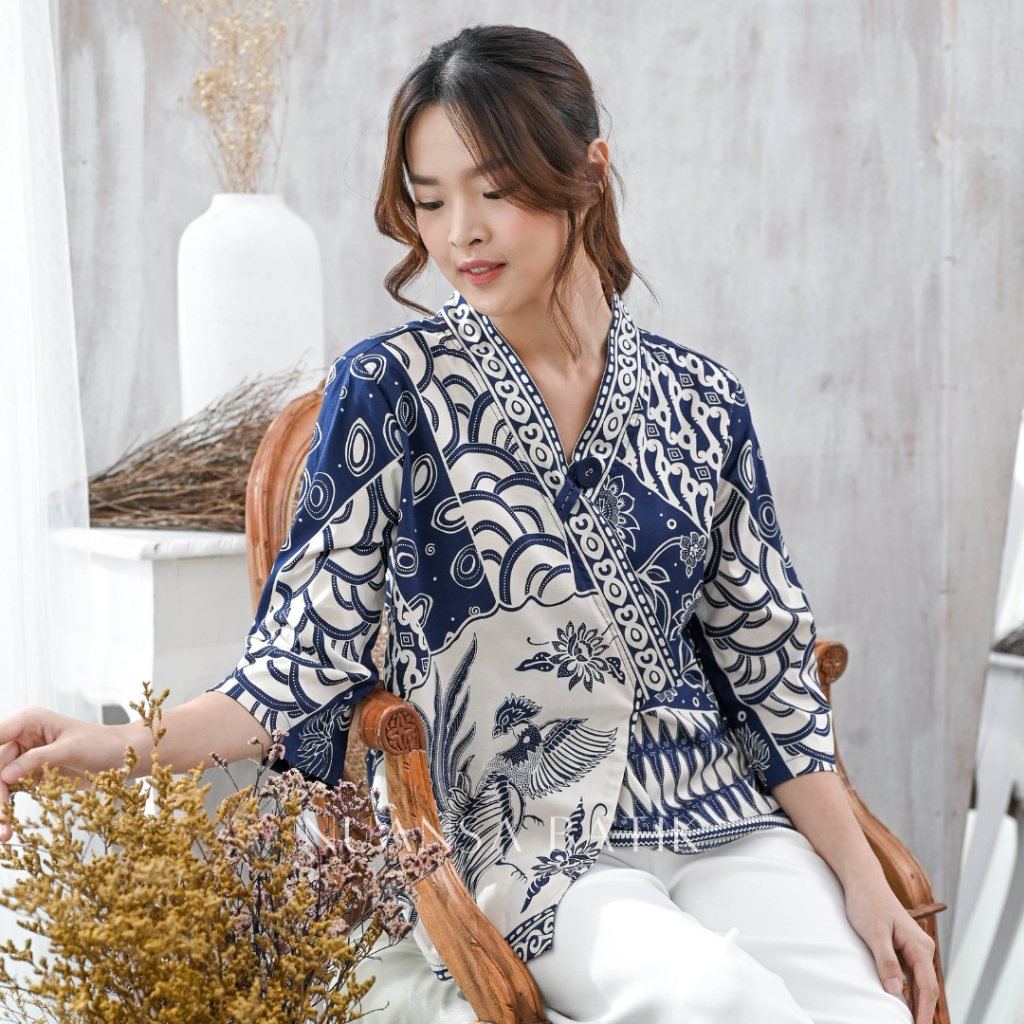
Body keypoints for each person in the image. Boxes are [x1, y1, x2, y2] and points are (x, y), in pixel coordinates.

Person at [0, 24, 938, 1024]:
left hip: (718, 813)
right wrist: (113, 743)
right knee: (711, 997)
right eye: (431, 199)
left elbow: (772, 676)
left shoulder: (703, 401)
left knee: (870, 1010)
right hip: (526, 844)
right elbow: (294, 667)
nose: (461, 235)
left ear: (589, 172)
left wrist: (865, 880)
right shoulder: (389, 390)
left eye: (495, 191)